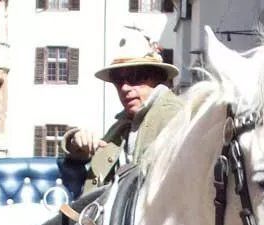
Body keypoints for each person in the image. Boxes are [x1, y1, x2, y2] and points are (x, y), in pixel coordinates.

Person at [62, 27, 181, 193]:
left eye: (135, 76)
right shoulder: (122, 126)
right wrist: (76, 144)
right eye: (118, 80)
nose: (124, 87)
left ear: (157, 78)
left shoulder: (178, 117)